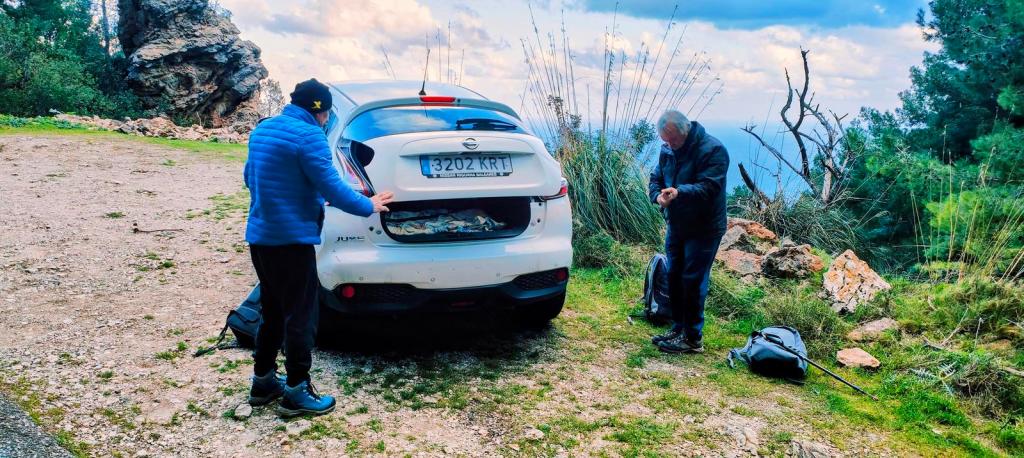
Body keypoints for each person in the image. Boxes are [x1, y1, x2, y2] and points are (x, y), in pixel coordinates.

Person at [243, 79, 394, 417]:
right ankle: (297, 390)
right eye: (327, 114)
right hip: (292, 241)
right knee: (302, 315)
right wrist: (368, 206)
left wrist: (300, 195)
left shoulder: (263, 130)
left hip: (261, 238)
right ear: (322, 111)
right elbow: (335, 188)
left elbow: (251, 177)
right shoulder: (310, 135)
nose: (327, 120)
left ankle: (263, 380)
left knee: (272, 311)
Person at [648, 110, 729, 354]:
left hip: (704, 227)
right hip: (677, 223)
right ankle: (678, 327)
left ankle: (693, 338)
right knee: (673, 275)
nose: (669, 145)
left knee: (692, 280)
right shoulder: (668, 149)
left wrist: (680, 192)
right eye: (665, 141)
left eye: (672, 140)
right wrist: (657, 197)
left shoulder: (713, 150)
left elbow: (710, 187)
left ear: (685, 131)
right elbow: (655, 178)